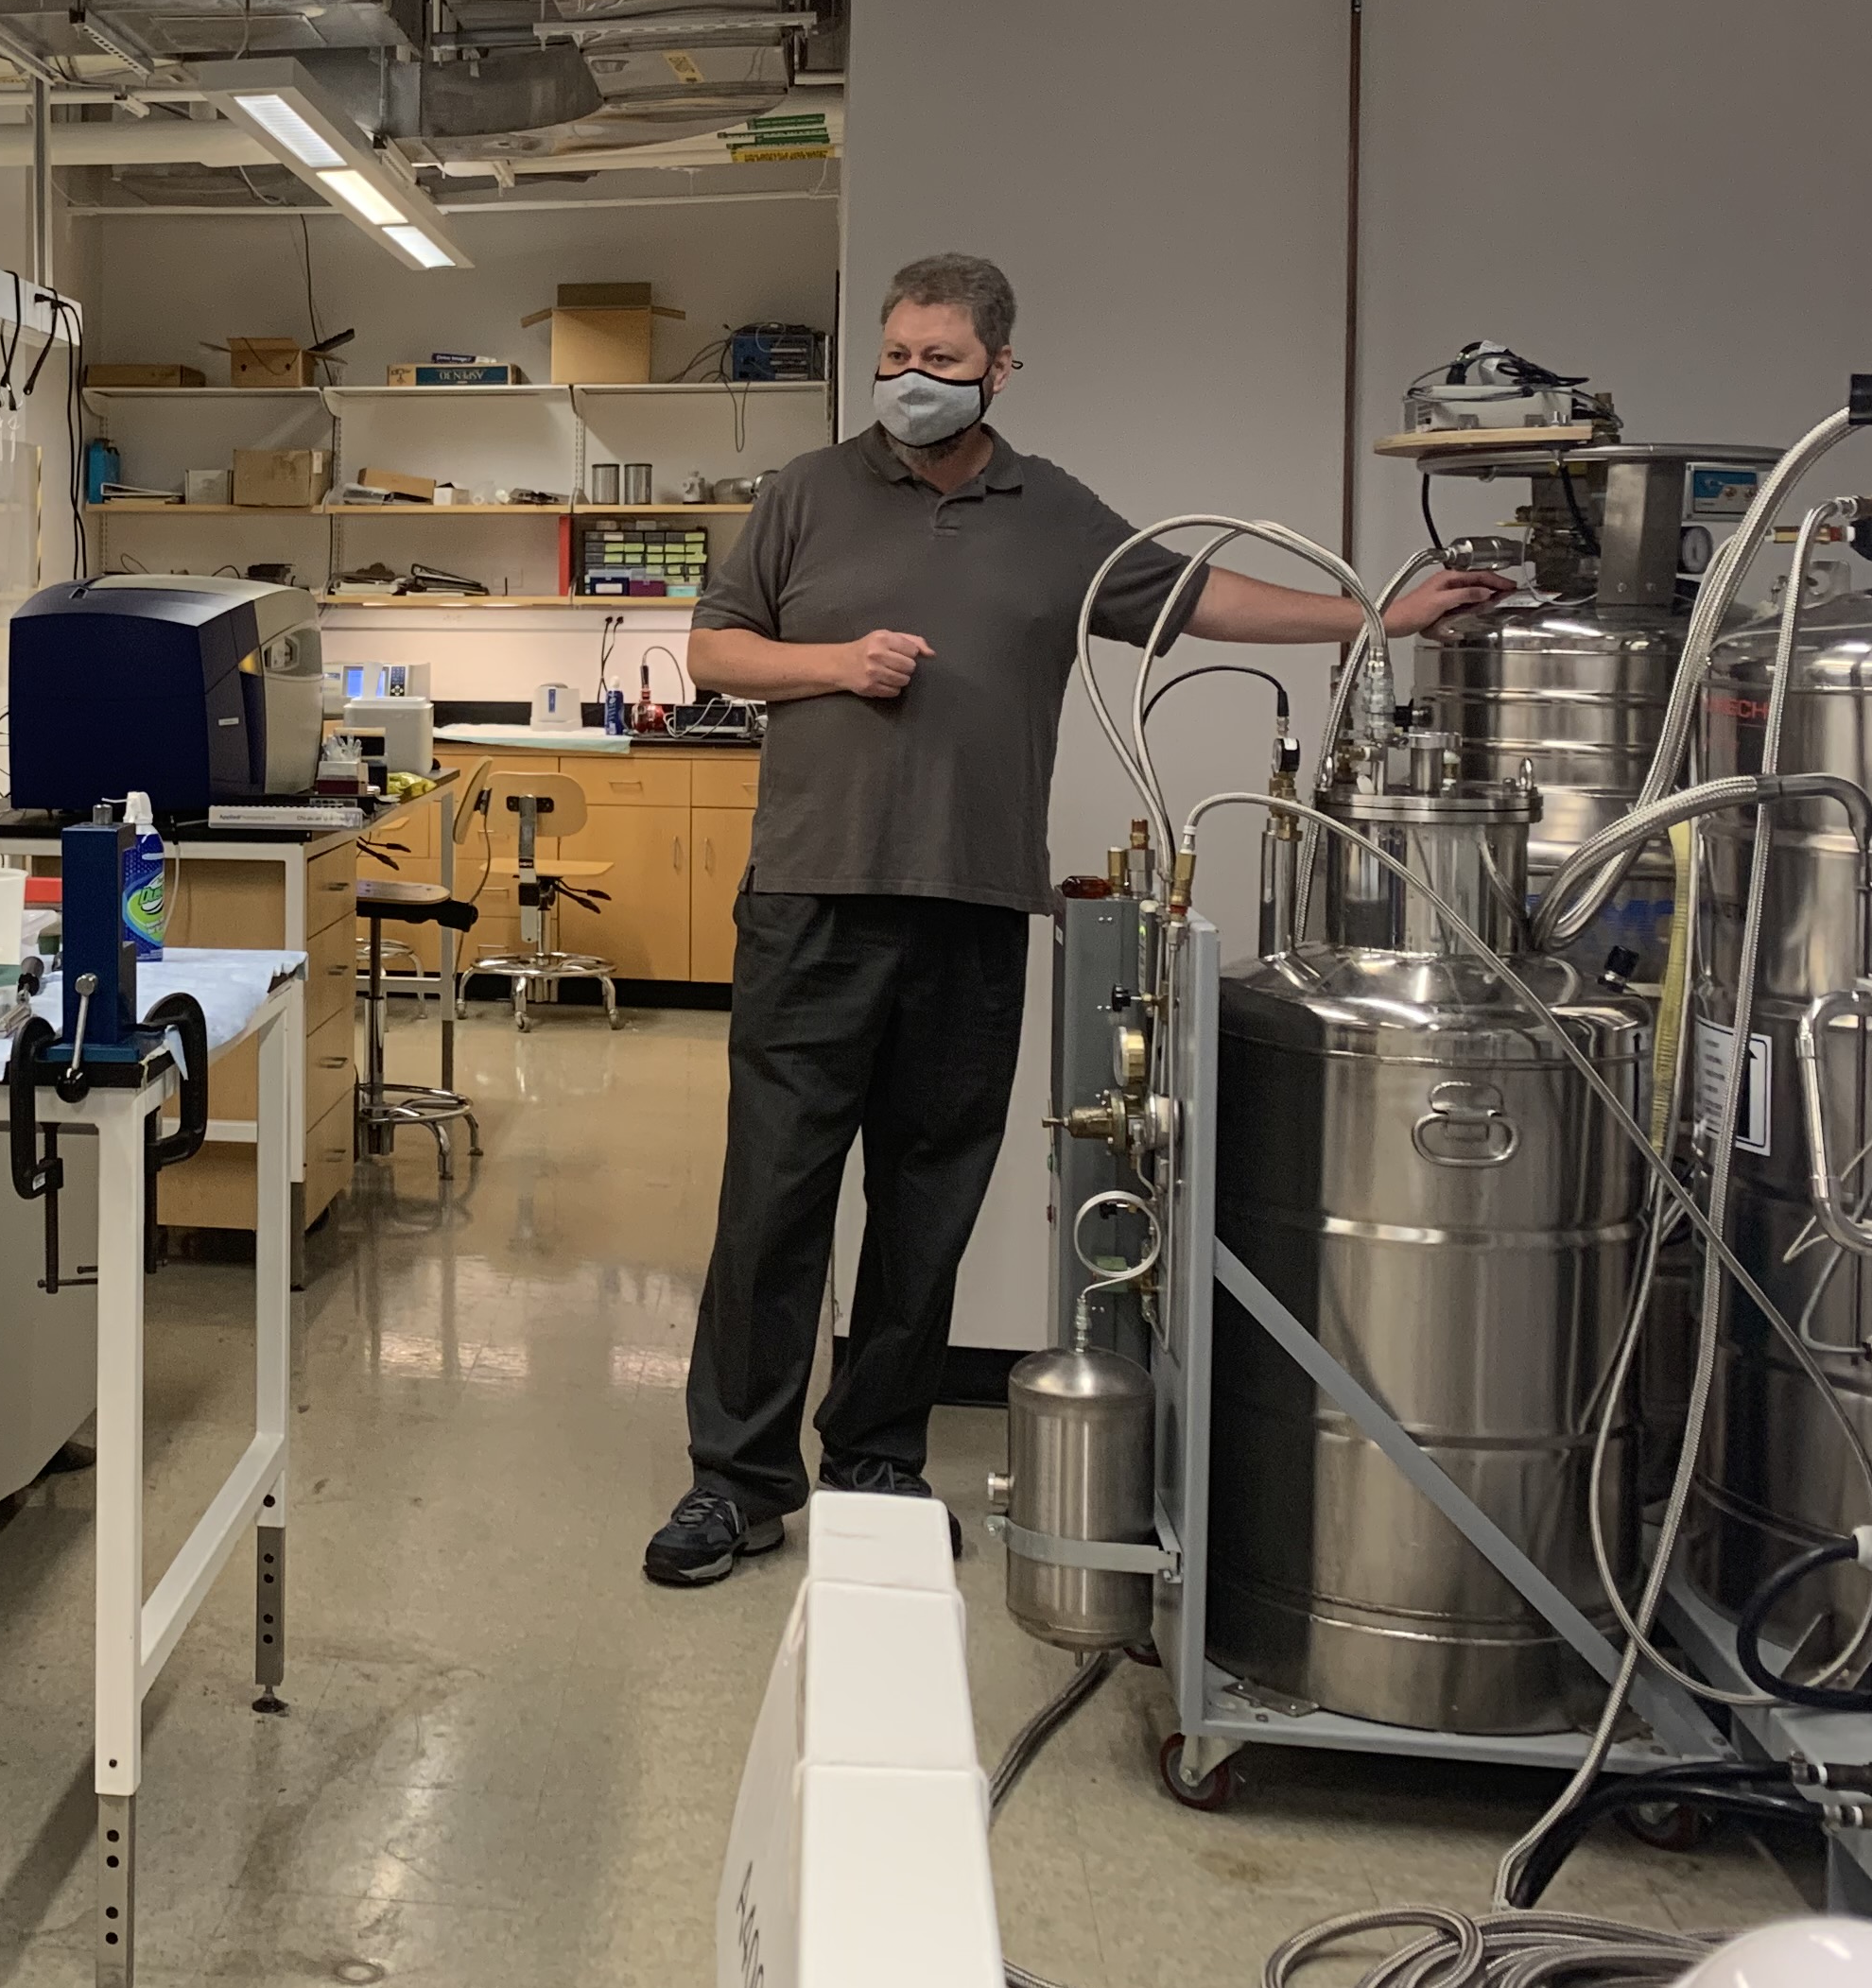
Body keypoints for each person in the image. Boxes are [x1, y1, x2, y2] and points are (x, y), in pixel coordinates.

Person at [643, 253, 1507, 1587]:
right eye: (896, 354)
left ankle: (875, 1460)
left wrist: (1373, 618)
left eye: (941, 358)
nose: (911, 380)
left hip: (977, 911)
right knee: (773, 1199)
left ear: (998, 366)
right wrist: (833, 663)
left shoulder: (1050, 513)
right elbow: (713, 648)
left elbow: (1200, 594)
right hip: (813, 899)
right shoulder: (807, 494)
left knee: (930, 1202)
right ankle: (737, 1481)